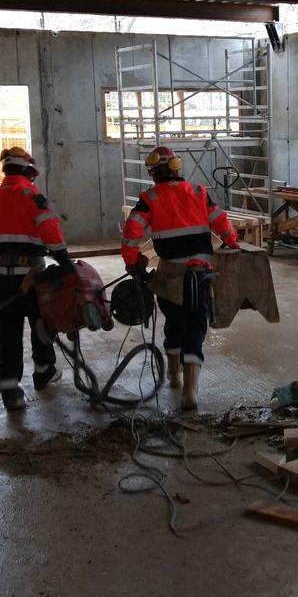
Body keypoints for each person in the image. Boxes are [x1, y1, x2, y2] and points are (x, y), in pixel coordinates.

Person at [121, 146, 239, 410]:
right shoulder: (199, 193)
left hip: (169, 275)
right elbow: (221, 222)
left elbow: (131, 232)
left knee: (173, 322)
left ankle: (173, 375)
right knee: (195, 326)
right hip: (199, 275)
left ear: (153, 174)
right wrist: (233, 241)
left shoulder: (149, 198)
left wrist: (132, 262)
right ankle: (190, 392)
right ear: (177, 168)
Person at [0, 146, 74, 411]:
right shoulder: (33, 196)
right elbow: (51, 233)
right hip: (33, 277)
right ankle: (43, 372)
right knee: (42, 324)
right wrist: (66, 262)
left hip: (0, 279)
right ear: (27, 171)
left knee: (8, 333)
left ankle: (11, 392)